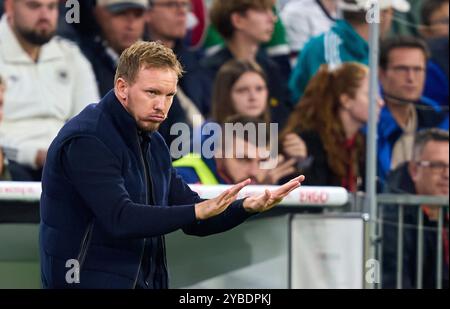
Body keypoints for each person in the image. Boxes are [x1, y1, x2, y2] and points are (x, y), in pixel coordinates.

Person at [39, 41, 304, 289]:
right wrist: (196, 211)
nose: (161, 106)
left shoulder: (153, 142)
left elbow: (195, 219)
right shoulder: (88, 138)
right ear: (122, 88)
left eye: (169, 95)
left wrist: (246, 207)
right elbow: (121, 218)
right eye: (152, 92)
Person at [0, 0, 100, 181]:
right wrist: (32, 154)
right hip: (10, 166)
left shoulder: (71, 55)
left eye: (52, 7)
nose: (45, 16)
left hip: (65, 162)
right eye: (34, 6)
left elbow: (92, 123)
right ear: (10, 7)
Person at [183, 0, 292, 127]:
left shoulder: (272, 69)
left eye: (271, 11)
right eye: (262, 11)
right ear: (237, 20)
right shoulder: (206, 73)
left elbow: (284, 115)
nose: (272, 18)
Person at [280, 62, 383, 192]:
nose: (380, 102)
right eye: (370, 95)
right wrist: (303, 163)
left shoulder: (362, 144)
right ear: (346, 100)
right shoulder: (309, 140)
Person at [288, 0, 409, 104]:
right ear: (380, 14)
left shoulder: (373, 50)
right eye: (390, 11)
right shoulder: (325, 47)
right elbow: (334, 105)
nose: (390, 17)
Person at [382, 128, 449, 289]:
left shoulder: (444, 214)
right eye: (437, 166)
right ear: (414, 170)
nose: (447, 174)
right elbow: (393, 280)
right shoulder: (393, 219)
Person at [377, 36, 449, 184]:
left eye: (418, 70)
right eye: (402, 69)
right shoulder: (368, 124)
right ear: (381, 74)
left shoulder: (438, 118)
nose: (411, 78)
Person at [174, 116, 297, 185]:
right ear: (219, 153)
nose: (254, 171)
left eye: (263, 162)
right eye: (243, 159)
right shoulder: (182, 178)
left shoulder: (266, 184)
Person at [80, 0, 148, 97]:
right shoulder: (82, 59)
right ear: (99, 14)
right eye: (121, 14)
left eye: (138, 15)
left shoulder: (155, 61)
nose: (131, 25)